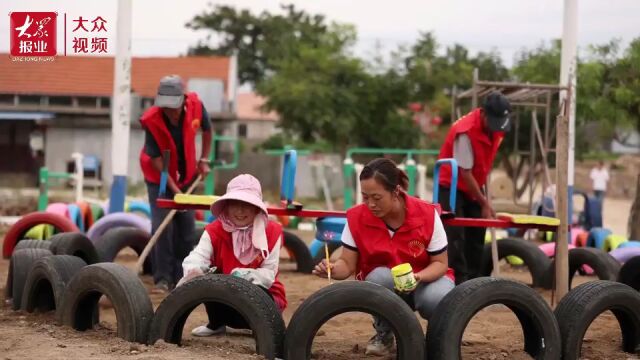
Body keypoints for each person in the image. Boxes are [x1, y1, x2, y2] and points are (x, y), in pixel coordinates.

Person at [313, 158, 454, 356]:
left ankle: (438, 338)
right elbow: (347, 264)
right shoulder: (355, 218)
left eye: (377, 198)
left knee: (437, 298)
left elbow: (440, 263)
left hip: (425, 280)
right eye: (365, 197)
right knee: (377, 277)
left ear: (395, 191)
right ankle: (384, 334)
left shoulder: (427, 214)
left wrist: (418, 277)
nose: (370, 204)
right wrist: (333, 269)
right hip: (388, 287)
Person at [179, 174, 287, 336]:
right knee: (209, 277)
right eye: (235, 204)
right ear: (226, 206)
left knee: (261, 293)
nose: (240, 211)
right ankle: (217, 323)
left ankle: (263, 329)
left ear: (257, 207)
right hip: (225, 297)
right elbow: (198, 255)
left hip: (262, 300)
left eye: (247, 204)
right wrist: (194, 269)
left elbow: (269, 273)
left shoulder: (272, 232)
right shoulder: (214, 230)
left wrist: (243, 276)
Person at [139, 75, 212, 292]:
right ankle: (162, 279)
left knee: (186, 228)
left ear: (183, 99)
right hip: (159, 177)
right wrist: (174, 189)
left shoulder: (196, 106)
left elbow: (208, 131)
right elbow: (155, 158)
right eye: (166, 108)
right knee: (163, 227)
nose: (171, 112)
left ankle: (182, 277)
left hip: (187, 174)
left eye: (174, 107)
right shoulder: (151, 119)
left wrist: (204, 160)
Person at [437, 91, 512, 285]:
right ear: (484, 114)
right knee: (455, 234)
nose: (497, 127)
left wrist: (485, 199)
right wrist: (484, 202)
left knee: (477, 232)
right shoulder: (465, 131)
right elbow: (465, 172)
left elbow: (484, 163)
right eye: (494, 121)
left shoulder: (498, 129)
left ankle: (475, 282)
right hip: (451, 184)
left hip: (474, 185)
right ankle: (458, 282)